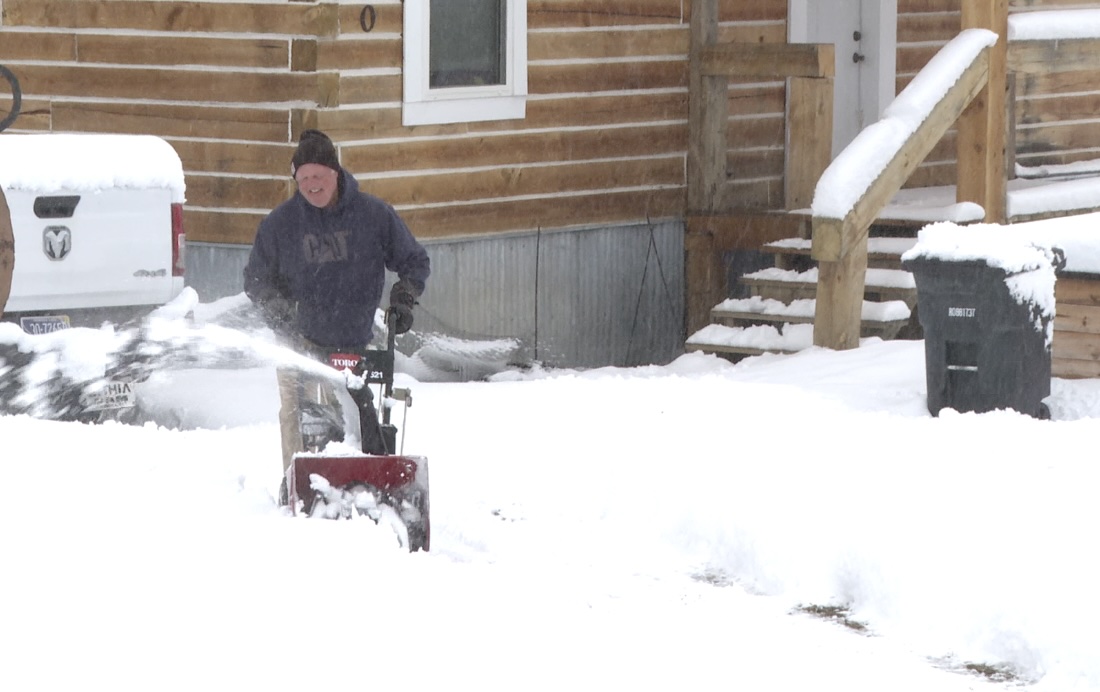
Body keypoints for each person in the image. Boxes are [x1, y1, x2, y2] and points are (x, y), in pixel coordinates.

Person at [243, 129, 430, 480]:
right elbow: (256, 279)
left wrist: (405, 296)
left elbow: (414, 260)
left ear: (335, 173)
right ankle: (297, 485)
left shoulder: (373, 215)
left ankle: (365, 481)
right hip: (299, 341)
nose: (312, 184)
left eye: (318, 175)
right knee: (299, 416)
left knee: (355, 416)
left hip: (355, 338)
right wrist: (276, 310)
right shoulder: (281, 225)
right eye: (303, 178)